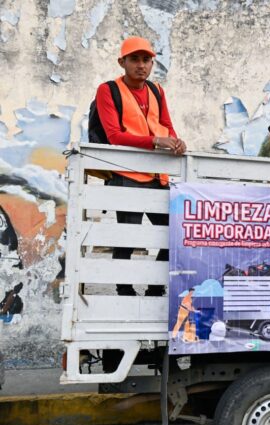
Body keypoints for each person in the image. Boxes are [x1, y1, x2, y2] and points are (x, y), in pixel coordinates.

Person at [94, 36, 187, 296]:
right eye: (134, 59)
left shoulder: (157, 90)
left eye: (146, 60)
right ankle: (124, 290)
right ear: (121, 62)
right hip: (126, 175)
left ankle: (155, 289)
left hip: (158, 176)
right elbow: (114, 136)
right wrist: (156, 141)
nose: (141, 65)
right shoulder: (108, 90)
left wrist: (177, 142)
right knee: (128, 238)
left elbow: (167, 125)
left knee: (173, 235)